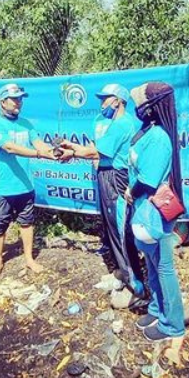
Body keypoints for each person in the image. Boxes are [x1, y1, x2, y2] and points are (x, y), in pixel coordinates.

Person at [59, 84, 144, 294]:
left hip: (116, 178)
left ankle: (135, 286)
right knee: (112, 229)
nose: (101, 104)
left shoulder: (122, 124)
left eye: (105, 99)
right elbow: (95, 150)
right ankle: (122, 272)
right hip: (107, 176)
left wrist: (72, 153)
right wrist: (72, 146)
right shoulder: (115, 122)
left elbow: (94, 153)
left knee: (121, 231)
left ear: (117, 101)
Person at [120, 81, 186, 342]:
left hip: (153, 211)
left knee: (164, 267)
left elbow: (148, 180)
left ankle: (173, 325)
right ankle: (157, 309)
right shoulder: (147, 132)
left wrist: (130, 193)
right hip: (142, 210)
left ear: (150, 109)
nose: (136, 109)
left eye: (138, 105)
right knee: (151, 263)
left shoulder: (159, 139)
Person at [0, 83, 57, 279]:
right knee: (0, 225)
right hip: (4, 187)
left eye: (21, 98)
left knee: (26, 223)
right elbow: (10, 148)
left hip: (26, 185)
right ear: (2, 102)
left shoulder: (26, 124)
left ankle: (29, 259)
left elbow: (39, 144)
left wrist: (54, 152)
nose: (19, 102)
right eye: (15, 99)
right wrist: (39, 154)